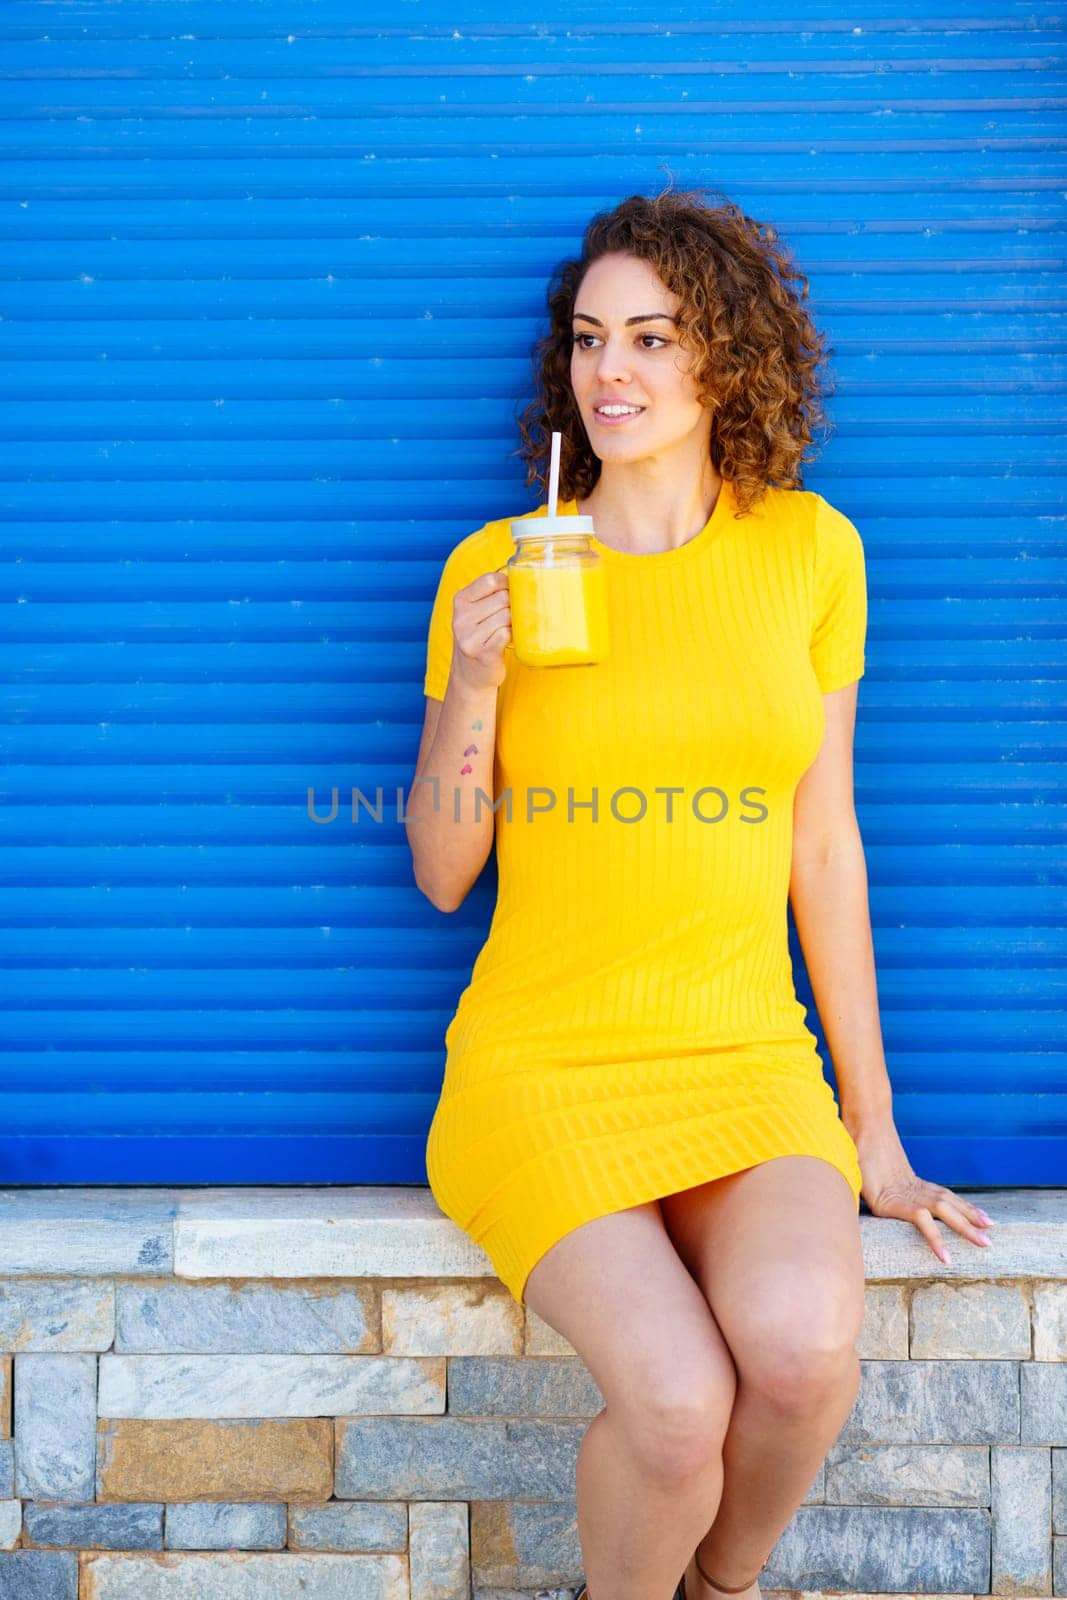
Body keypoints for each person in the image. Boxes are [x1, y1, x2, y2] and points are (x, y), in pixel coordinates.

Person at [405, 186, 996, 1600]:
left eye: (655, 339)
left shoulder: (811, 553)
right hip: (546, 1064)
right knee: (675, 1413)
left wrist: (878, 1132)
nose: (611, 373)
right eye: (593, 341)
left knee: (800, 1366)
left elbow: (825, 852)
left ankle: (717, 1588)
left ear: (729, 357)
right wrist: (477, 685)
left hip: (739, 1057)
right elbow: (440, 871)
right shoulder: (500, 565)